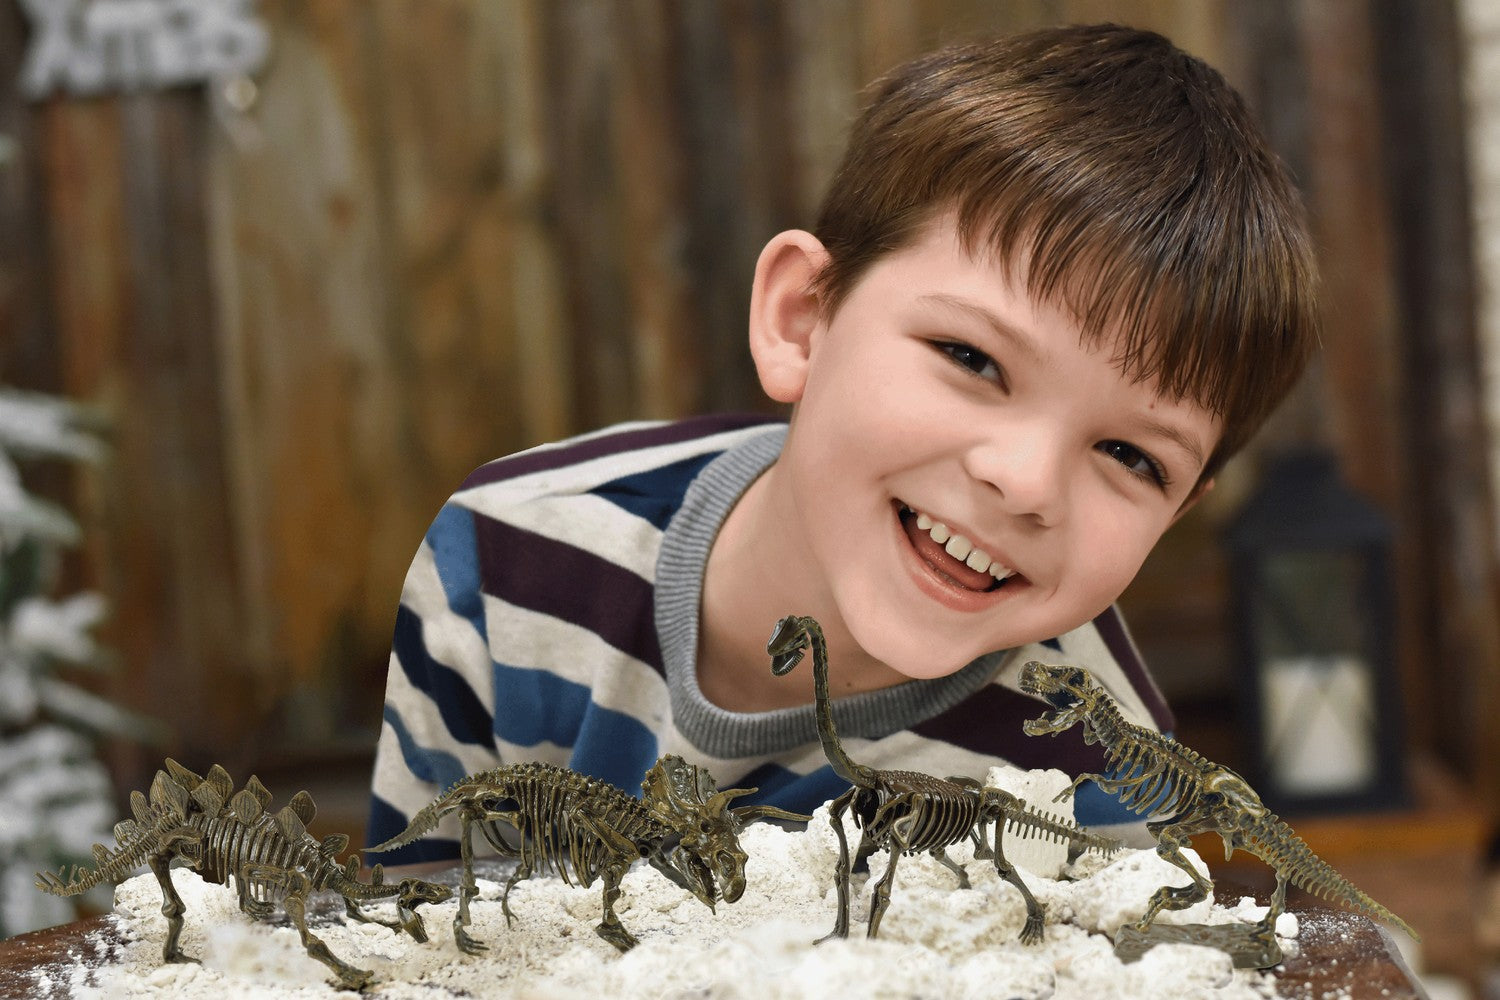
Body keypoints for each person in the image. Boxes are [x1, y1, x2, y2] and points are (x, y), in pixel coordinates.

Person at [367, 22, 1318, 862]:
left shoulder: (1098, 778)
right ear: (801, 320)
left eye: (1130, 458)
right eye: (972, 359)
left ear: (1178, 513)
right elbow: (416, 944)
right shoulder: (503, 564)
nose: (1027, 482)